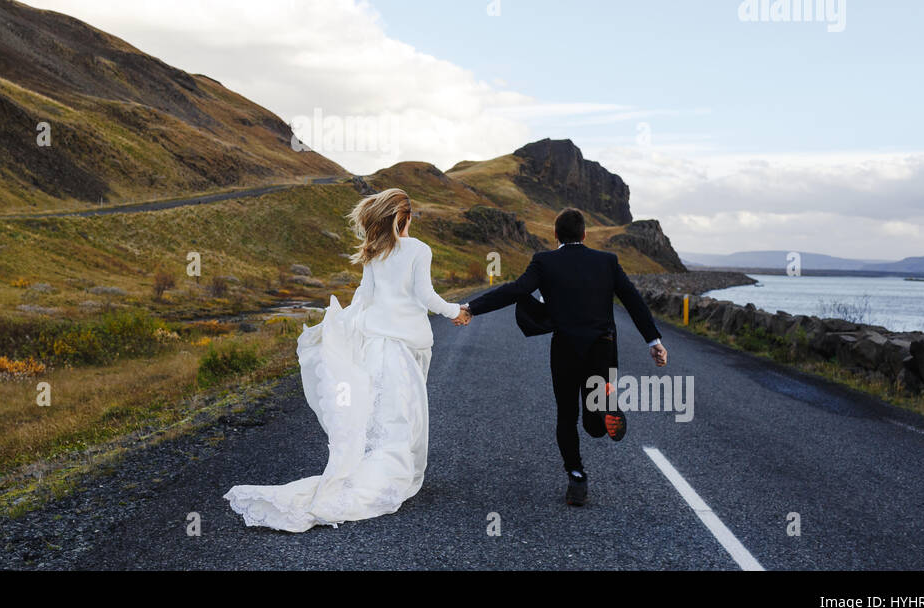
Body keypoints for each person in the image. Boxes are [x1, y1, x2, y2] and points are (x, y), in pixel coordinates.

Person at [224, 188, 463, 531]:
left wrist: (334, 328)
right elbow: (425, 296)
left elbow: (363, 298)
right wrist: (458, 311)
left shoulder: (375, 254)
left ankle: (369, 473)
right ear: (403, 218)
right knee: (402, 419)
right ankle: (381, 481)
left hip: (377, 347)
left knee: (383, 419)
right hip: (403, 348)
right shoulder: (418, 250)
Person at [457, 208, 669, 506]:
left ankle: (577, 477)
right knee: (594, 423)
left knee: (567, 416)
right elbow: (633, 301)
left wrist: (471, 308)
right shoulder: (607, 262)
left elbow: (515, 290)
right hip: (602, 348)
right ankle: (606, 409)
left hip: (566, 348)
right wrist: (654, 341)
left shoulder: (545, 261)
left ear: (555, 235)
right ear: (584, 235)